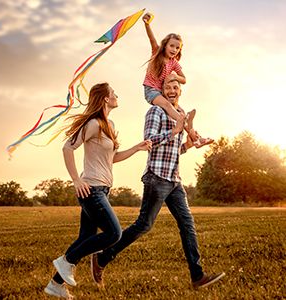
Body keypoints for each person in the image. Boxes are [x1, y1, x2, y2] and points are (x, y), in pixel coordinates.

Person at [91, 78, 225, 289]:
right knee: (144, 224)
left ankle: (197, 277)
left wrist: (188, 145)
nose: (171, 91)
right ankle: (102, 258)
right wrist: (175, 131)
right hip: (157, 177)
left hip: (174, 179)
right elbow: (150, 140)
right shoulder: (156, 111)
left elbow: (173, 151)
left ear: (180, 90)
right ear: (161, 92)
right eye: (167, 88)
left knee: (187, 225)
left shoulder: (179, 113)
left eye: (175, 87)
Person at [44, 82, 152, 299]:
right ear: (105, 98)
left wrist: (136, 148)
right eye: (113, 93)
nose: (116, 95)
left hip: (102, 188)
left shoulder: (108, 124)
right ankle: (66, 261)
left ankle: (55, 285)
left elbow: (112, 158)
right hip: (90, 189)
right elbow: (68, 147)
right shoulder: (93, 123)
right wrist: (76, 179)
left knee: (85, 237)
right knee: (114, 233)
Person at [142, 12, 213, 149]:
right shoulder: (157, 53)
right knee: (170, 108)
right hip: (151, 91)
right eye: (171, 46)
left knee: (180, 110)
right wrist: (147, 24)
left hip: (161, 92)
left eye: (177, 47)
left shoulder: (174, 63)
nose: (174, 49)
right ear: (165, 45)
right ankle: (183, 121)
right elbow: (151, 39)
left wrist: (175, 76)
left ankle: (197, 140)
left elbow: (184, 79)